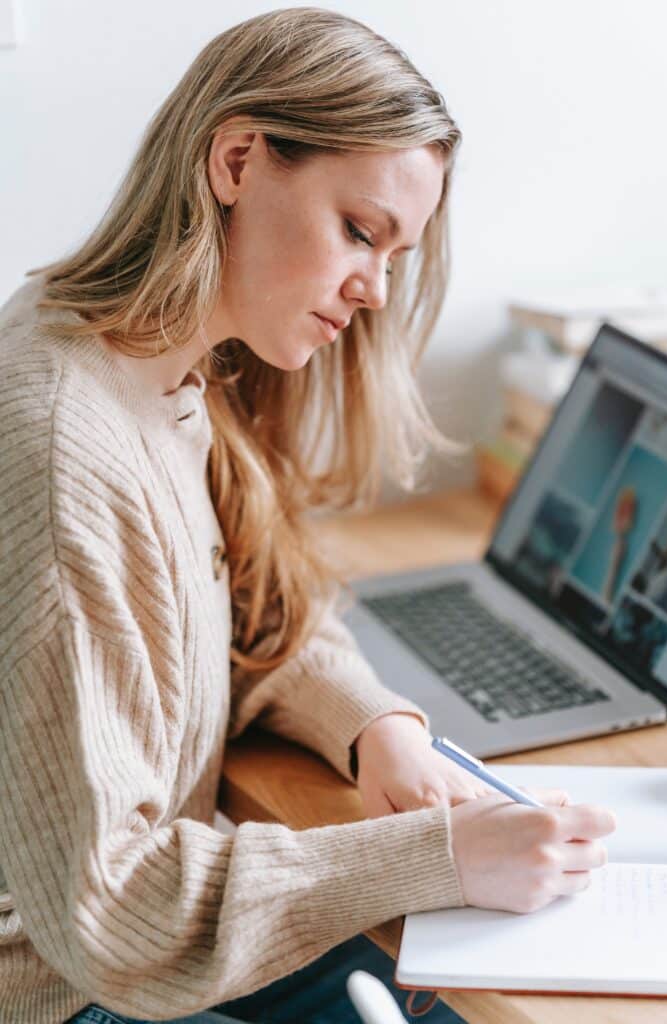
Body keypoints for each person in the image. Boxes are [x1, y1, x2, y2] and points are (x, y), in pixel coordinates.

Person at [0, 8, 617, 1024]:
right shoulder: (68, 446)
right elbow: (104, 907)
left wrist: (371, 725)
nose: (374, 288)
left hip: (133, 942)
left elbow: (241, 613)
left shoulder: (159, 370)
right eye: (359, 231)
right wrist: (437, 854)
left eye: (395, 253)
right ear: (237, 160)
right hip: (66, 987)